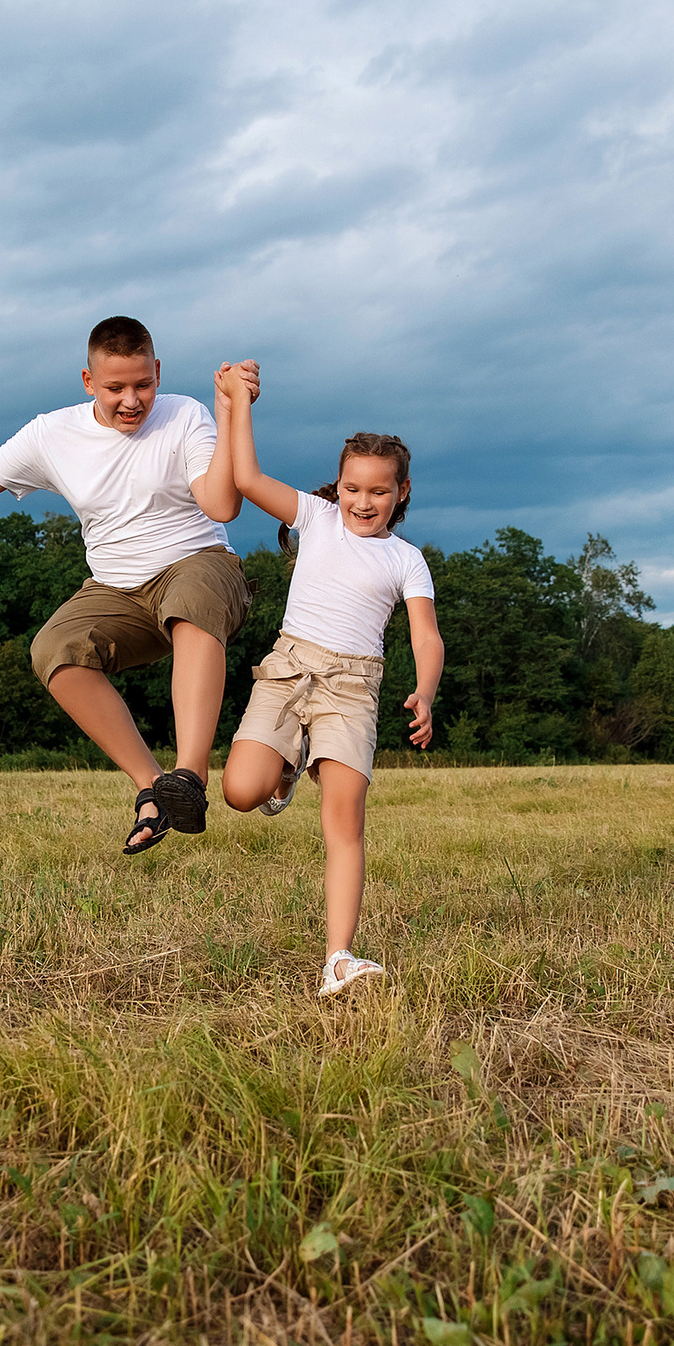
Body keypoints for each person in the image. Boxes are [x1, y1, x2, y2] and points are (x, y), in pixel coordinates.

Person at [0, 317, 256, 853]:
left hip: (198, 565)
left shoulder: (185, 416)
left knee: (190, 595)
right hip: (116, 590)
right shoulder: (52, 434)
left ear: (159, 373)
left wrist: (229, 410)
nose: (132, 400)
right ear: (87, 381)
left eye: (143, 384)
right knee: (55, 649)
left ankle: (189, 777)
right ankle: (153, 792)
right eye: (115, 388)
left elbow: (221, 506)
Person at [212, 373, 443, 996]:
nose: (362, 502)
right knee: (239, 791)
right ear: (336, 486)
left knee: (344, 823)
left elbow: (426, 634)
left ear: (402, 492)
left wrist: (424, 691)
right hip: (288, 669)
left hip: (352, 687)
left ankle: (338, 958)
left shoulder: (406, 559)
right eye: (352, 488)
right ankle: (284, 770)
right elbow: (248, 478)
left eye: (378, 491)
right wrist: (237, 406)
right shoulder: (315, 517)